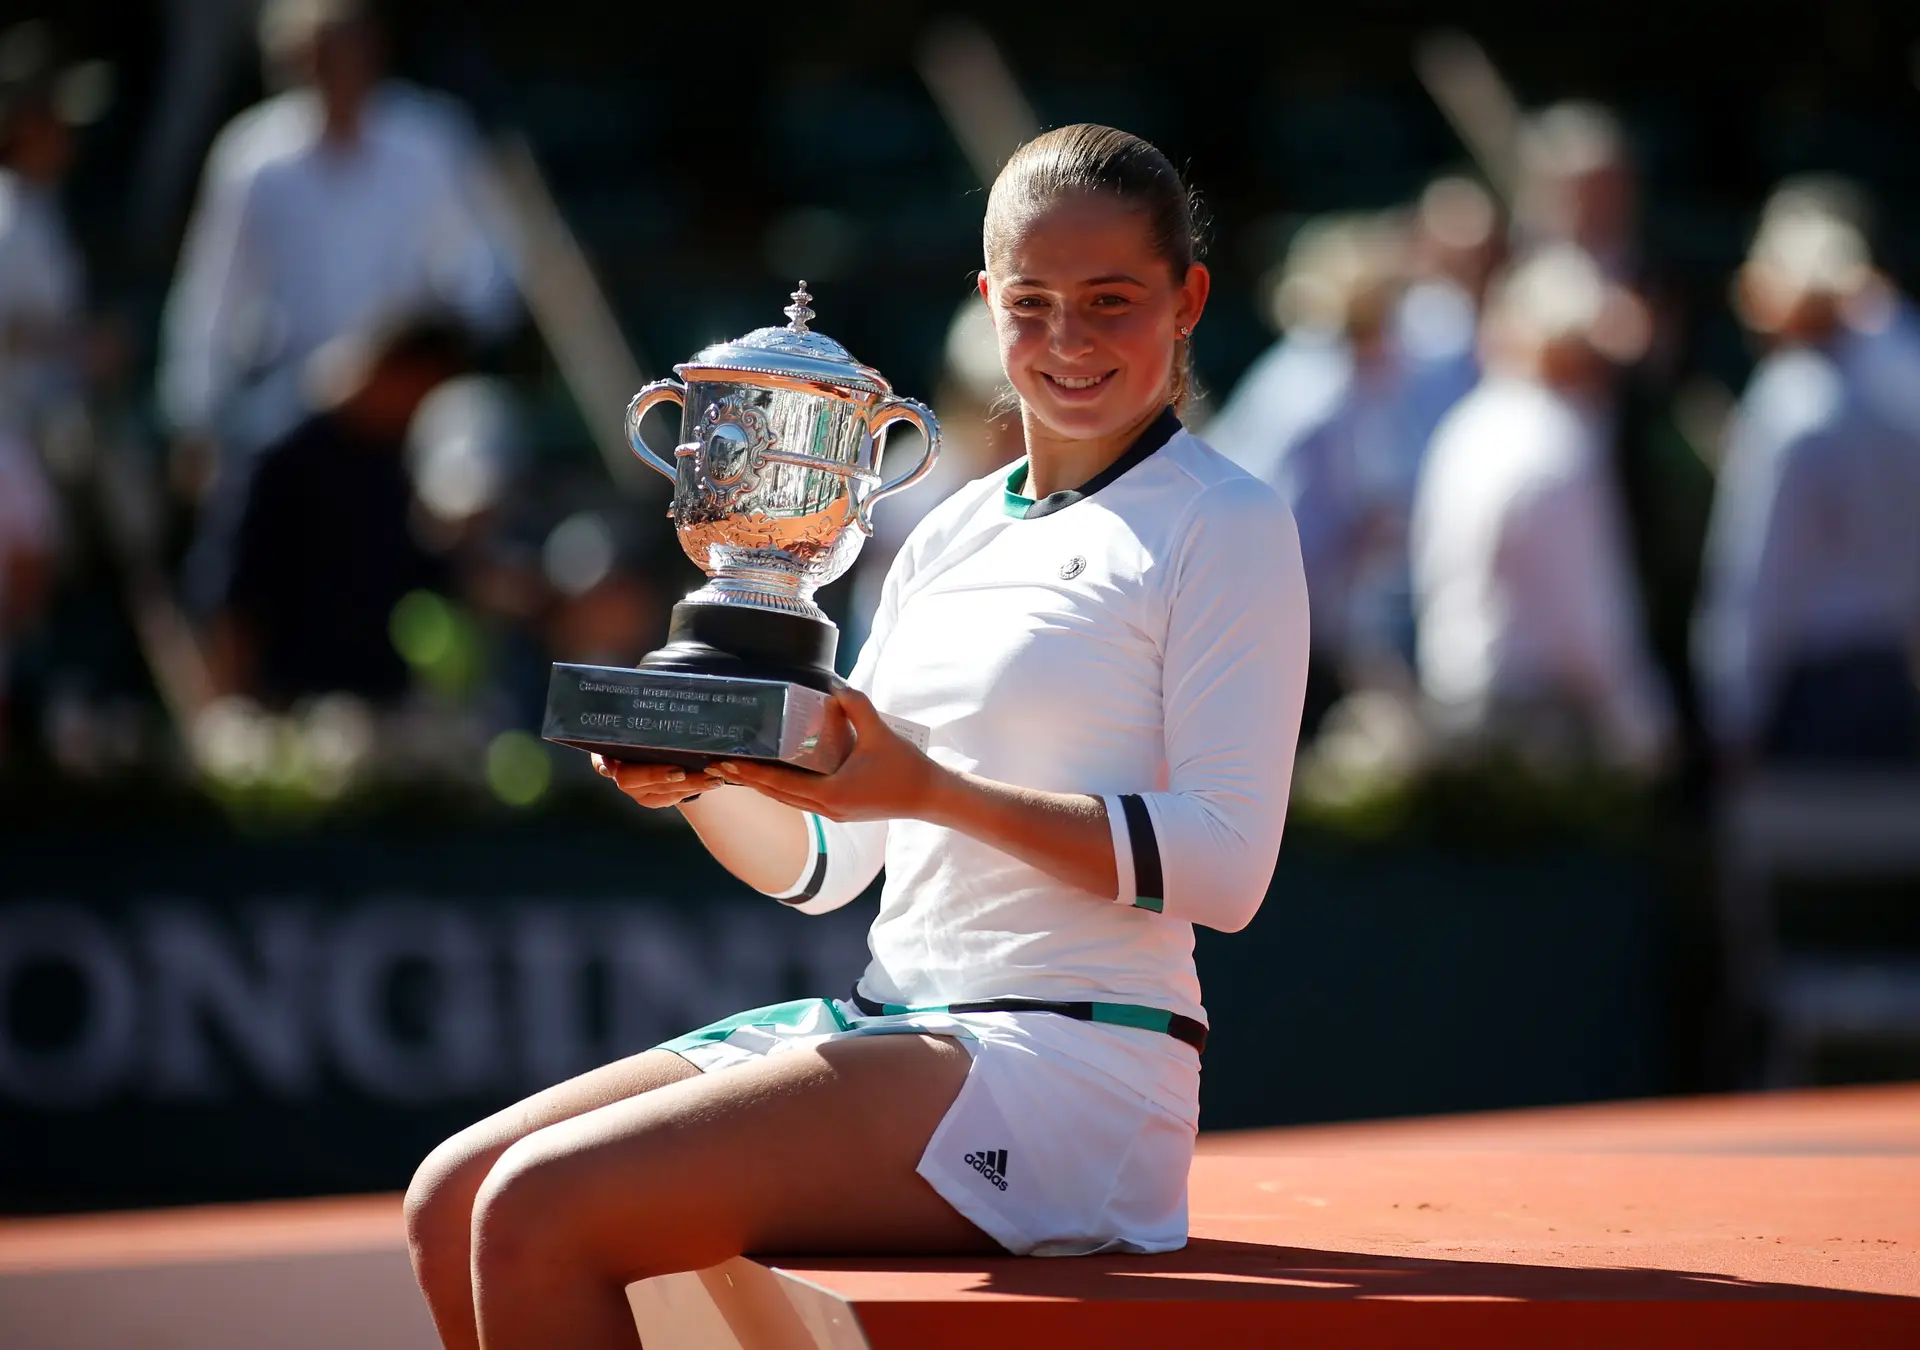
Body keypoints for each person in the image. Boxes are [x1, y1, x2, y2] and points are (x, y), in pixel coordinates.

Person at [404, 124, 1308, 1349]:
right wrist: (697, 776)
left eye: (1112, 301)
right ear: (988, 301)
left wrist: (935, 791)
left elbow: (1227, 867)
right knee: (451, 1196)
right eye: (1033, 304)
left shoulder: (1226, 520)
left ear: (1188, 300)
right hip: (897, 1025)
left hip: (1077, 1069)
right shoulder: (945, 531)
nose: (1068, 340)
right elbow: (828, 862)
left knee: (535, 1211)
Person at [158, 0, 515, 488]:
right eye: (322, 56)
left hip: (412, 391)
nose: (340, 70)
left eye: (352, 51)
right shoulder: (251, 160)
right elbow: (212, 293)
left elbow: (486, 271)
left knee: (470, 453)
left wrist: (424, 339)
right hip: (299, 397)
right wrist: (193, 413)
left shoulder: (429, 138)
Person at [1411, 246, 1674, 773]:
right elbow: (1588, 629)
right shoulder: (1557, 444)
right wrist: (1645, 730)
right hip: (1536, 726)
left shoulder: (1469, 424)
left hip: (1457, 702)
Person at [1693, 192, 1920, 767]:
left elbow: (1758, 570)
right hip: (1891, 681)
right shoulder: (1901, 385)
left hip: (1810, 694)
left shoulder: (1790, 406)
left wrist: (1733, 708)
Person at [194, 313, 470, 708]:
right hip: (290, 708)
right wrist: (232, 708)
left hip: (374, 703)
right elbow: (233, 595)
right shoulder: (281, 456)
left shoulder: (397, 460)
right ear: (400, 372)